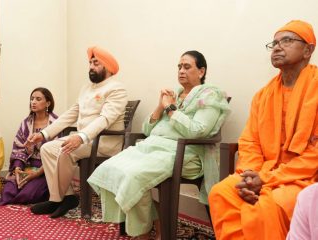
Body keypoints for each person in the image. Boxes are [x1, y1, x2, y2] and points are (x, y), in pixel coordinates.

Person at [87, 50, 230, 239]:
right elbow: (147, 129)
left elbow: (198, 130)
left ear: (201, 71)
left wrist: (170, 109)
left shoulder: (211, 95)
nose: (181, 70)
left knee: (133, 177)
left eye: (187, 66)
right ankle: (157, 221)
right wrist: (160, 106)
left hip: (184, 153)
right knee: (108, 168)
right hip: (151, 147)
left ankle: (143, 234)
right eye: (179, 66)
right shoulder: (174, 94)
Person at [208, 20, 318, 240]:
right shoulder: (262, 95)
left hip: (304, 178)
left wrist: (267, 179)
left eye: (287, 40)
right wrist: (250, 176)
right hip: (261, 172)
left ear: (308, 50)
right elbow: (250, 142)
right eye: (274, 43)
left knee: (268, 205)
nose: (277, 47)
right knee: (221, 192)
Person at [27, 46, 128, 218]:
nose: (91, 66)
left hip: (103, 142)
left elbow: (105, 119)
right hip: (84, 140)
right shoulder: (86, 88)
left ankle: (58, 200)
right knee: (47, 148)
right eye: (90, 63)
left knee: (66, 149)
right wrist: (43, 134)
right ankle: (65, 197)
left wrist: (81, 137)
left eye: (96, 63)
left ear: (108, 68)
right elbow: (71, 114)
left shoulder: (117, 89)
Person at [0, 87, 58, 205]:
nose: (33, 102)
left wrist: (36, 174)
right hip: (27, 165)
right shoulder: (26, 123)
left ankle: (43, 189)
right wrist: (18, 169)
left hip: (45, 169)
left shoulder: (56, 123)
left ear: (48, 103)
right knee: (8, 192)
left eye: (38, 99)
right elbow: (19, 148)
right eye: (32, 99)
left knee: (27, 194)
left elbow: (56, 154)